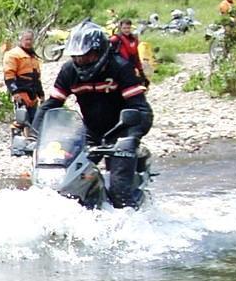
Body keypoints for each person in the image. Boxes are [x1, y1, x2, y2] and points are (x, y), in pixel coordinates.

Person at [32, 20, 153, 209]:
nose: (81, 61)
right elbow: (51, 106)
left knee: (120, 192)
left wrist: (132, 137)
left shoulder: (120, 67)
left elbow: (142, 110)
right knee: (64, 181)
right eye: (77, 57)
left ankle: (130, 229)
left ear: (100, 51)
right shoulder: (69, 71)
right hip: (88, 132)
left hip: (119, 133)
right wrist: (36, 137)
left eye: (87, 56)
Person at [3, 29, 43, 139]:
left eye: (30, 39)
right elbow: (9, 76)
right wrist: (15, 92)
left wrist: (41, 94)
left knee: (34, 120)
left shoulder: (33, 57)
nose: (28, 42)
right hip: (21, 93)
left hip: (33, 94)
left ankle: (31, 141)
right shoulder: (13, 55)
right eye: (26, 39)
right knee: (21, 119)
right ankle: (17, 143)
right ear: (21, 40)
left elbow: (37, 78)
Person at [110, 18, 149, 87]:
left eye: (128, 28)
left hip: (133, 66)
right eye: (124, 28)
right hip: (121, 68)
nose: (127, 30)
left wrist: (141, 71)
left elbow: (136, 56)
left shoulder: (134, 39)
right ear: (120, 28)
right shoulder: (115, 39)